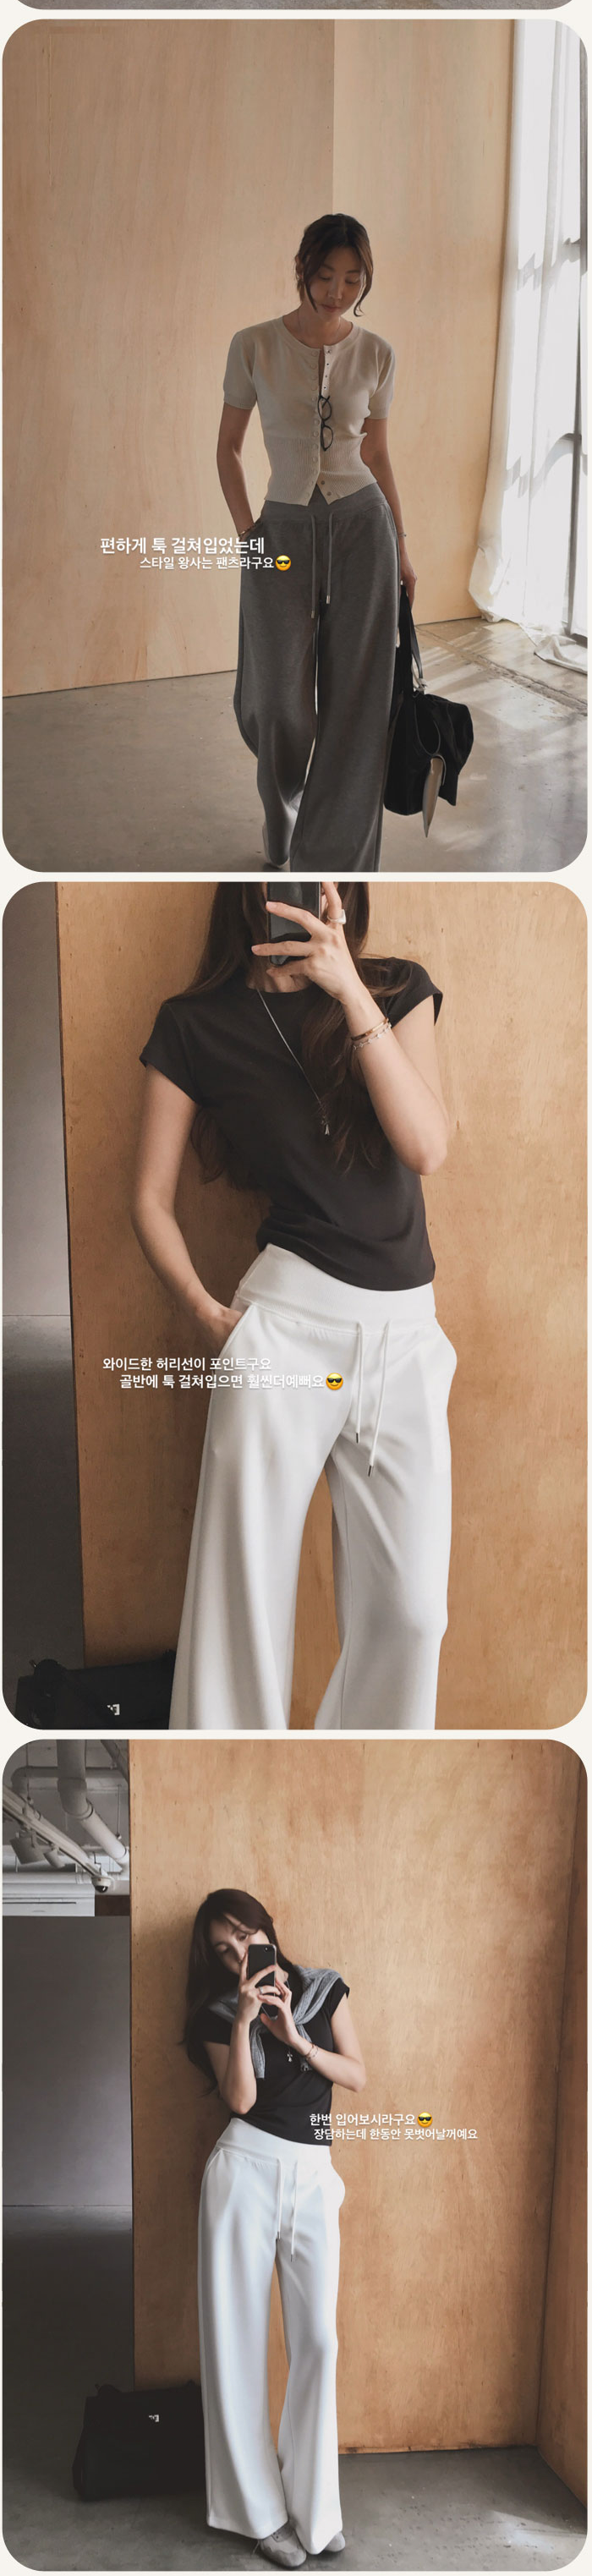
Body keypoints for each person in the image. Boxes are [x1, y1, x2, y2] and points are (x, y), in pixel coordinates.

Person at [134, 875, 458, 1732]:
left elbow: (427, 1146)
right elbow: (149, 1199)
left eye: (331, 875)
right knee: (238, 1613)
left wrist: (347, 985)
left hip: (405, 1338)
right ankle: (228, 1777)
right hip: (284, 1329)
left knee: (414, 1615)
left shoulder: (394, 987)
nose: (313, 888)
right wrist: (207, 1316)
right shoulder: (193, 1024)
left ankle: (360, 1772)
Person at [217, 210, 414, 871]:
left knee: (357, 701)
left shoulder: (378, 354)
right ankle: (283, 813)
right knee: (281, 702)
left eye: (353, 279)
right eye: (326, 275)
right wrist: (248, 534)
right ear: (302, 268)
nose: (338, 291)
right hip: (280, 532)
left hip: (364, 528)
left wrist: (402, 547)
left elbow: (378, 454)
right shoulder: (253, 345)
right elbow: (228, 448)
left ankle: (332, 853)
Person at [186, 1883, 365, 2560]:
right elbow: (239, 2099)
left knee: (318, 2340)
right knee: (236, 2343)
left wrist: (294, 2036)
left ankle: (314, 2507)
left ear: (267, 1927)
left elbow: (358, 2075)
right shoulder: (214, 2014)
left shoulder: (324, 1989)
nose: (238, 1953)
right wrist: (243, 2021)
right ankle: (257, 2514)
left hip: (314, 2176)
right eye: (222, 1949)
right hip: (244, 2172)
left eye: (244, 1935)